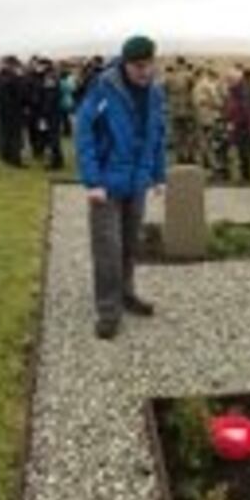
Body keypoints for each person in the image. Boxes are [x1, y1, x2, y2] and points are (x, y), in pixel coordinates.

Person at [75, 35, 166, 339]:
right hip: (106, 184)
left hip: (137, 182)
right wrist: (93, 181)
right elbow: (84, 133)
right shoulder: (103, 88)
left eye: (148, 64)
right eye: (138, 66)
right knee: (107, 250)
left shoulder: (154, 92)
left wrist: (158, 175)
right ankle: (108, 310)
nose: (144, 71)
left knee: (129, 244)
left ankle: (126, 294)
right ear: (125, 64)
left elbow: (157, 134)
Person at [225, 68, 250, 182]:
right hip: (241, 124)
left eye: (229, 79)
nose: (228, 82)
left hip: (241, 124)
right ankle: (245, 174)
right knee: (242, 150)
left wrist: (232, 121)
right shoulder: (240, 90)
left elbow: (243, 109)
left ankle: (245, 174)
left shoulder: (239, 91)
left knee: (243, 150)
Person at [192, 68, 226, 178]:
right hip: (210, 117)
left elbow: (196, 102)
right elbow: (217, 102)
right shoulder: (208, 86)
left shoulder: (197, 87)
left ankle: (203, 166)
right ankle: (214, 167)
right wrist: (219, 106)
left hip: (201, 116)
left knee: (203, 143)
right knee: (212, 143)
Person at [0, 56, 28, 168]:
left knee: (4, 133)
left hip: (2, 109)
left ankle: (5, 155)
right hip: (14, 109)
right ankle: (15, 159)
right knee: (15, 136)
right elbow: (21, 94)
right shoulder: (15, 78)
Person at [164, 62, 199, 164]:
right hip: (188, 109)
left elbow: (164, 91)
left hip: (174, 109)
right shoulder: (189, 76)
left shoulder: (169, 78)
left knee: (177, 134)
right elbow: (194, 88)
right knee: (189, 134)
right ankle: (190, 156)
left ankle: (180, 156)